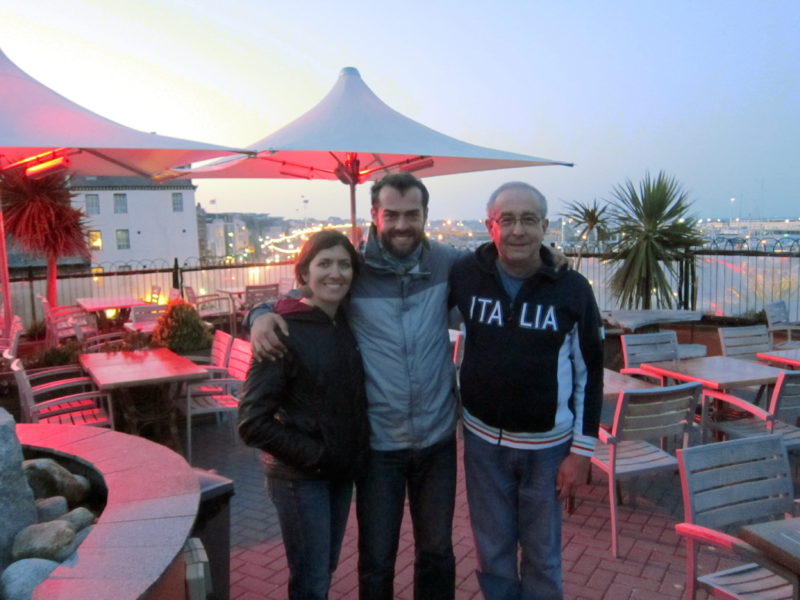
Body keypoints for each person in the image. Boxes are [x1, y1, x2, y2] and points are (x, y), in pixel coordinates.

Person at [247, 172, 460, 599]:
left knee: (437, 551)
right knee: (377, 558)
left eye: (412, 214)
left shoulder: (449, 263)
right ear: (375, 216)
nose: (402, 224)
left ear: (425, 215)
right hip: (379, 445)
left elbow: (501, 267)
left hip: (437, 440)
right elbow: (300, 295)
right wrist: (260, 314)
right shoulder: (355, 269)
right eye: (392, 214)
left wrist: (551, 260)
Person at [449, 182, 604, 600]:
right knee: (493, 552)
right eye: (507, 220)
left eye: (529, 220)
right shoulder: (465, 275)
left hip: (548, 449)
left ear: (545, 226)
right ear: (490, 226)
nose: (518, 231)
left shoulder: (573, 290)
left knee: (543, 555)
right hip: (482, 444)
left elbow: (592, 372)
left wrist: (582, 451)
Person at [237, 229, 370, 600]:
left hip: (339, 473)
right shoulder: (282, 329)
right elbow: (252, 422)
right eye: (324, 263)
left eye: (344, 264)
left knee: (322, 569)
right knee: (311, 580)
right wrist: (317, 456)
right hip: (300, 477)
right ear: (304, 273)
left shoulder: (343, 321)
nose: (336, 273)